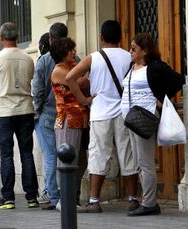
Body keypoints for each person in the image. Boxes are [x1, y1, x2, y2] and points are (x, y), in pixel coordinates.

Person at [65, 20, 138, 213]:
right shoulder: (129, 57)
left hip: (100, 113)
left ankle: (94, 201)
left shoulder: (92, 58)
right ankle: (132, 198)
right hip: (124, 112)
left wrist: (84, 99)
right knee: (128, 153)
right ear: (120, 38)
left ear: (101, 38)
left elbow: (69, 78)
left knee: (98, 155)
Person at [123, 33, 185, 216]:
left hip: (144, 120)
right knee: (139, 163)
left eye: (134, 48)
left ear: (146, 50)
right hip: (131, 120)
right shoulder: (131, 66)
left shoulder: (155, 67)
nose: (130, 51)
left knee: (145, 162)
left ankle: (149, 203)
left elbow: (178, 80)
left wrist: (161, 99)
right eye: (130, 47)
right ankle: (149, 202)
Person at [0, 22, 39, 209]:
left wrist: (1, 87)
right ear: (17, 37)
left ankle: (8, 198)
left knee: (6, 154)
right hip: (25, 108)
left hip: (5, 110)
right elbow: (30, 79)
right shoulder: (28, 58)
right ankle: (32, 197)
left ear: (1, 38)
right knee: (27, 153)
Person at [49, 38, 89, 210]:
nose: (74, 52)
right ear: (62, 53)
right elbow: (78, 85)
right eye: (70, 50)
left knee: (81, 161)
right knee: (67, 160)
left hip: (79, 119)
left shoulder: (71, 68)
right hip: (67, 120)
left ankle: (73, 198)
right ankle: (64, 199)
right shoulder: (58, 71)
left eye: (73, 49)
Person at [32, 22, 69, 209]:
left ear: (51, 39)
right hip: (68, 113)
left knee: (50, 155)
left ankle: (53, 197)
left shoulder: (44, 61)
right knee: (68, 155)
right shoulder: (74, 58)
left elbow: (37, 91)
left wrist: (37, 110)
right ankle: (68, 195)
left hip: (47, 114)